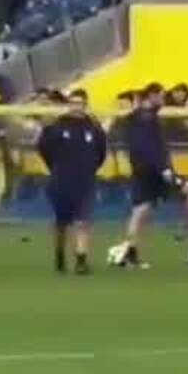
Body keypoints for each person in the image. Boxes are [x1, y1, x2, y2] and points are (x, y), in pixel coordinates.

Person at [111, 85, 188, 269]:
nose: (163, 100)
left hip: (144, 170)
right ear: (152, 96)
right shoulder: (146, 119)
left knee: (140, 210)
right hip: (155, 171)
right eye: (161, 96)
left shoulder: (137, 117)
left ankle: (131, 252)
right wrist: (163, 169)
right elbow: (147, 147)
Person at [35, 92, 108, 274]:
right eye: (74, 103)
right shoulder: (57, 127)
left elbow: (101, 153)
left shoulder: (94, 128)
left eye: (80, 103)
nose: (77, 107)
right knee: (62, 224)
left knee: (83, 221)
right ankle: (59, 253)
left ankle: (81, 261)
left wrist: (89, 168)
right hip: (61, 181)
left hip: (85, 181)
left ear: (85, 105)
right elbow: (43, 149)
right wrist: (56, 168)